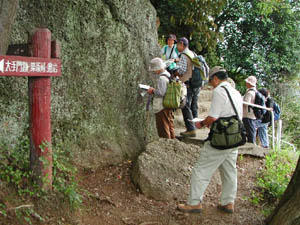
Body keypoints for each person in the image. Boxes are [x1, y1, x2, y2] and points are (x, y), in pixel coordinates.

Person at [177, 66, 243, 214]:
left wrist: (201, 123)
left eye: (211, 81)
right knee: (229, 170)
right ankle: (228, 202)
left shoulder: (220, 91)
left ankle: (194, 203)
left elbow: (213, 116)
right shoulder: (236, 92)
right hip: (234, 137)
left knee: (201, 169)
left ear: (215, 79)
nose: (211, 84)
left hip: (221, 139)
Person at [175, 37, 199, 137]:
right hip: (195, 83)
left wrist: (174, 72)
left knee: (185, 106)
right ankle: (194, 126)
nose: (176, 46)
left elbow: (181, 70)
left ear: (181, 44)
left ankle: (190, 129)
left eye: (177, 44)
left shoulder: (184, 55)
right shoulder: (192, 53)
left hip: (187, 83)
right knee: (193, 105)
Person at [147, 57, 175, 139]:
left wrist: (152, 91)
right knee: (170, 126)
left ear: (157, 69)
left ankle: (166, 145)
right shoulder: (168, 74)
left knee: (163, 128)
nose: (154, 72)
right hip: (169, 104)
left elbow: (161, 93)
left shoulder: (162, 78)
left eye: (154, 70)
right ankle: (172, 143)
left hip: (162, 106)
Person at [242, 76, 257, 144]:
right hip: (252, 114)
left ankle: (252, 145)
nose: (246, 83)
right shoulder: (255, 91)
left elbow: (245, 103)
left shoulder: (250, 93)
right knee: (251, 130)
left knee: (250, 131)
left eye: (247, 82)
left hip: (248, 114)